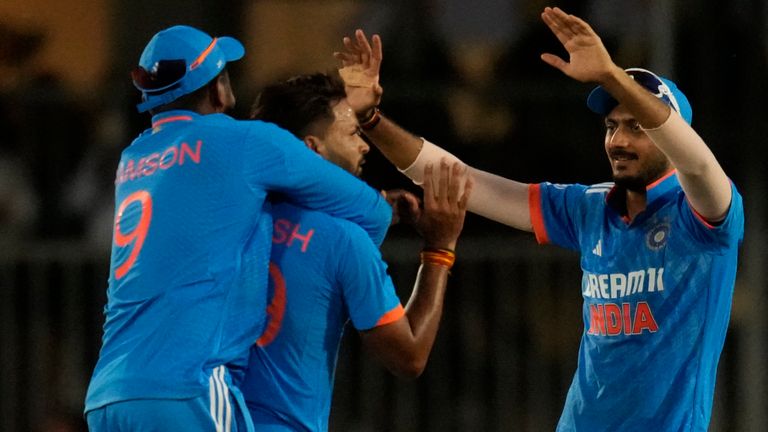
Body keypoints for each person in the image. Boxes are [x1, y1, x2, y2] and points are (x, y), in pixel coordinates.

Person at [337, 7, 744, 431]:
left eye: (637, 126)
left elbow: (696, 165)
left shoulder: (703, 214)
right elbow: (462, 180)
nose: (619, 140)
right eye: (611, 126)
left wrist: (611, 75)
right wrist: (370, 119)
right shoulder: (589, 207)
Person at [84, 25, 393, 432]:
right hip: (188, 386)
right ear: (219, 90)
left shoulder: (134, 159)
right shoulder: (248, 141)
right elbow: (372, 214)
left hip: (109, 395)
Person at [240, 72, 471, 431]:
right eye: (351, 134)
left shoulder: (237, 220)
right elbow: (408, 356)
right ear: (311, 149)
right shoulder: (344, 240)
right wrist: (439, 249)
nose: (364, 146)